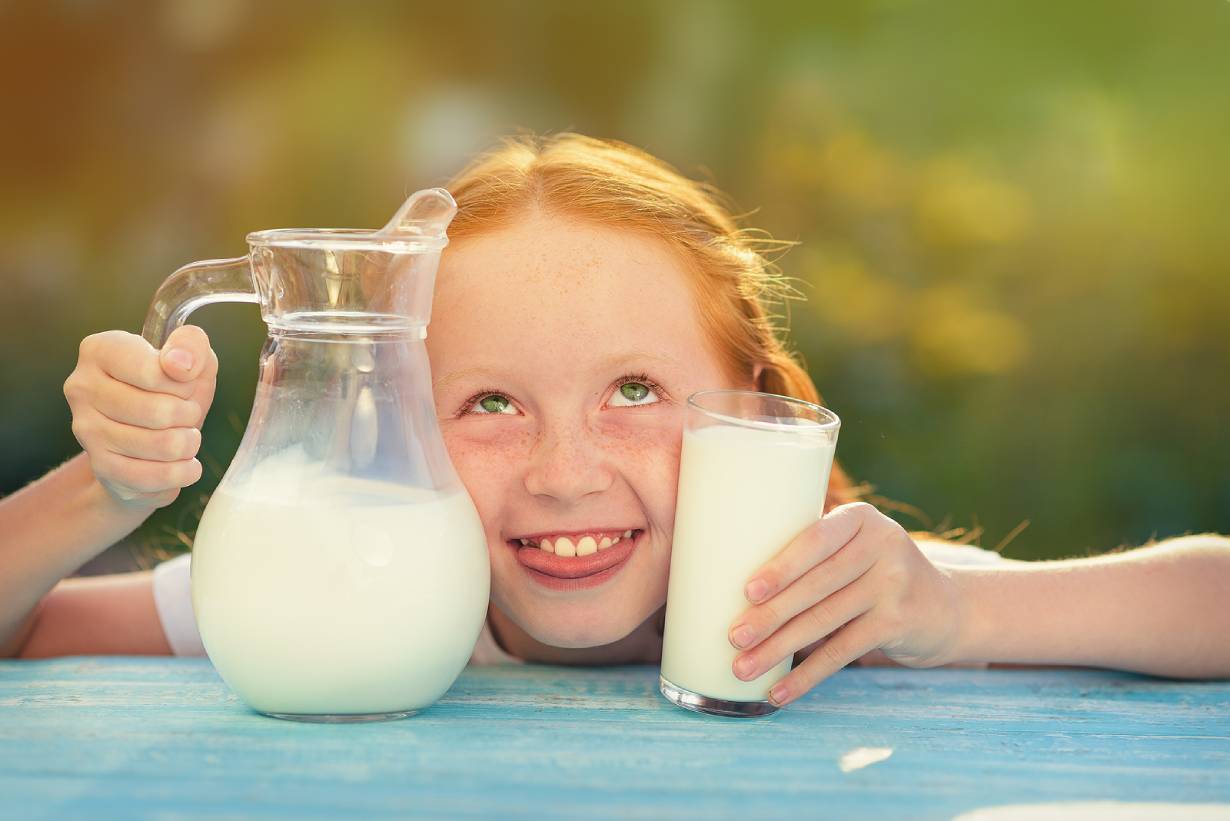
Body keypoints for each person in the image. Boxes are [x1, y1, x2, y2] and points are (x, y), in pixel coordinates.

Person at [2, 134, 1228, 705]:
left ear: (753, 408)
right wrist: (104, 489)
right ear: (393, 429)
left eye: (635, 392)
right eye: (487, 403)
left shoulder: (810, 608)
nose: (564, 471)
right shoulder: (349, 595)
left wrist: (958, 610)